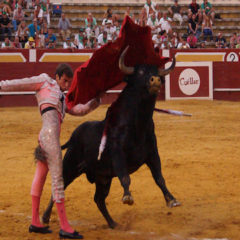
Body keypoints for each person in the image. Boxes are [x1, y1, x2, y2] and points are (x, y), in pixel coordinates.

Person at [0, 64, 102, 239]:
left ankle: (35, 222)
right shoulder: (44, 81)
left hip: (47, 137)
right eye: (64, 81)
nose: (67, 85)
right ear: (57, 76)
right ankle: (64, 227)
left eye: (69, 82)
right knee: (58, 178)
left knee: (40, 177)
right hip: (49, 136)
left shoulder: (62, 98)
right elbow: (22, 83)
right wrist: (2, 85)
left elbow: (79, 110)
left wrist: (95, 101)